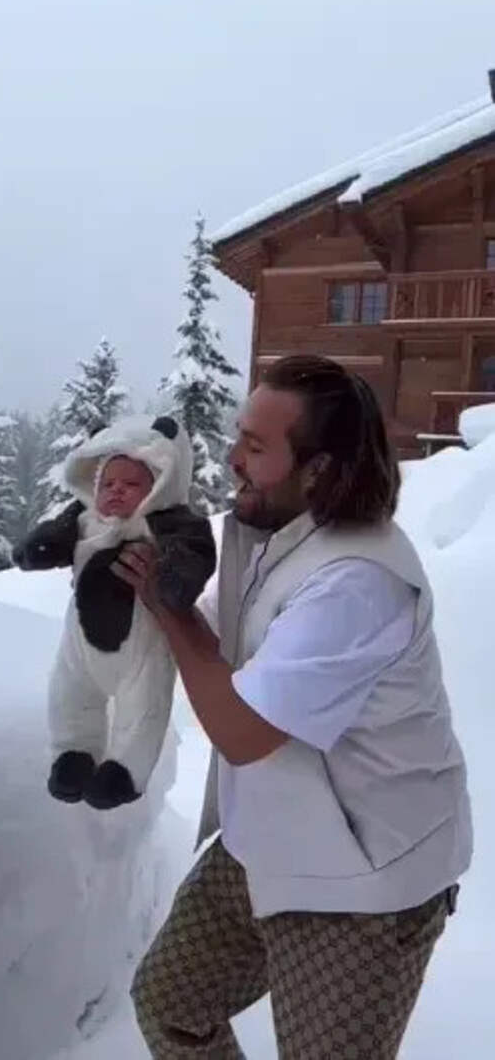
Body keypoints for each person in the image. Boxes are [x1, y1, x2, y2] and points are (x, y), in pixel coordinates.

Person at [116, 356, 472, 1059]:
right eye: (237, 436)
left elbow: (243, 730)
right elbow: (226, 634)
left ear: (320, 470)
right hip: (266, 846)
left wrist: (171, 612)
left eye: (255, 446)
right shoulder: (275, 532)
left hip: (363, 888)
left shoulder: (357, 581)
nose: (233, 459)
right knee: (172, 1004)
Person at [13, 414, 216, 810]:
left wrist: (174, 580)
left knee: (142, 708)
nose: (117, 492)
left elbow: (195, 554)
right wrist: (36, 549)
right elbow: (47, 542)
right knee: (69, 695)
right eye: (108, 484)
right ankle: (73, 755)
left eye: (131, 484)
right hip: (80, 648)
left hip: (141, 650)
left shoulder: (165, 524)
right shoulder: (85, 520)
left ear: (158, 485)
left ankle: (125, 772)